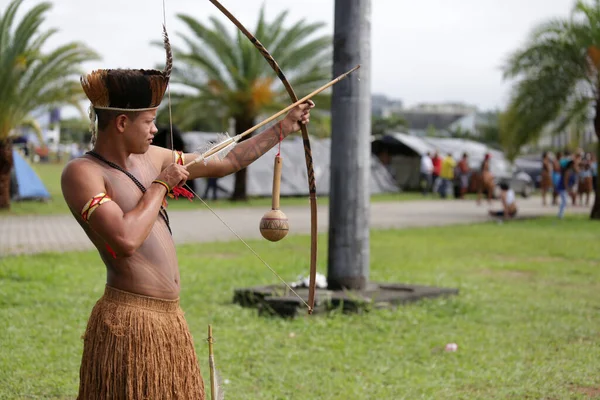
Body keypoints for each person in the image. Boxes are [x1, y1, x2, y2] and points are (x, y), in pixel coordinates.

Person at [60, 30, 314, 399]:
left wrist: (281, 128)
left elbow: (226, 161)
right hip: (129, 320)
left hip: (169, 320)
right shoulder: (82, 173)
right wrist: (162, 185)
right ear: (121, 123)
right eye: (149, 121)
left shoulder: (155, 156)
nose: (156, 129)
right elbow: (125, 240)